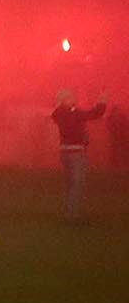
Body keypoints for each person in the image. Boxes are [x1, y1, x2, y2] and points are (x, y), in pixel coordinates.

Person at [53, 88, 110, 223]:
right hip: (77, 152)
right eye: (72, 97)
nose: (75, 99)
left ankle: (69, 212)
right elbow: (94, 114)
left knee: (70, 184)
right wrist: (102, 102)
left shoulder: (58, 113)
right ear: (65, 100)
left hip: (65, 151)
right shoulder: (72, 113)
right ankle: (73, 215)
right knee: (77, 184)